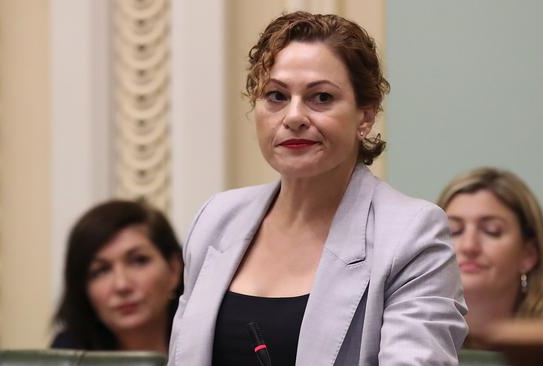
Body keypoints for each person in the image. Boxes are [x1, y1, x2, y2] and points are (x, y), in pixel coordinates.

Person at [168, 11, 467, 366]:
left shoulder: (411, 235)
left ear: (365, 116)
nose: (293, 116)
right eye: (276, 96)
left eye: (321, 98)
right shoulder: (215, 219)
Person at [437, 167, 543, 348]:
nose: (469, 246)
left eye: (491, 231)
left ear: (528, 254)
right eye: (454, 231)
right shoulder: (405, 342)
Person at [52, 200, 183, 353]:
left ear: (174, 270)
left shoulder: (211, 347)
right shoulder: (67, 355)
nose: (122, 285)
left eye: (138, 260)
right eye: (101, 270)